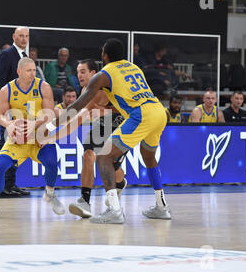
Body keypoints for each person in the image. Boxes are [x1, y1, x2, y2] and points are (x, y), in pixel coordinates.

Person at [47, 38, 172, 224]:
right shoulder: (133, 67)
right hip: (159, 111)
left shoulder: (103, 75)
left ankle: (114, 210)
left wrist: (51, 126)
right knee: (149, 158)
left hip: (139, 115)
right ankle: (162, 207)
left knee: (104, 156)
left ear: (104, 55)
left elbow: (79, 106)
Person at [0, 57, 62, 218]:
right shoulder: (6, 90)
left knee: (52, 163)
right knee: (0, 167)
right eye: (29, 70)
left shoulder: (44, 87)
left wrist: (35, 124)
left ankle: (50, 193)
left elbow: (50, 115)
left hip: (39, 138)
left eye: (34, 70)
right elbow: (1, 116)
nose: (32, 73)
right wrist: (9, 125)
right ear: (18, 71)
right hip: (18, 138)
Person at [66, 59, 127, 219]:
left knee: (112, 167)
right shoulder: (85, 90)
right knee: (88, 155)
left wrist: (104, 112)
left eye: (83, 71)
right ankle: (84, 202)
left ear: (93, 73)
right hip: (102, 126)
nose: (79, 75)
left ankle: (120, 183)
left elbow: (126, 107)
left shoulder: (107, 86)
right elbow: (78, 118)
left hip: (121, 125)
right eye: (78, 71)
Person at [0, 27, 31, 197]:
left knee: (18, 146)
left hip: (23, 111)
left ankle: (11, 184)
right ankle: (2, 185)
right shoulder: (7, 54)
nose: (24, 39)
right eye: (21, 36)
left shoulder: (25, 57)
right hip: (9, 110)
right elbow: (0, 83)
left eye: (26, 36)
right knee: (6, 147)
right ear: (14, 37)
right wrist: (5, 110)